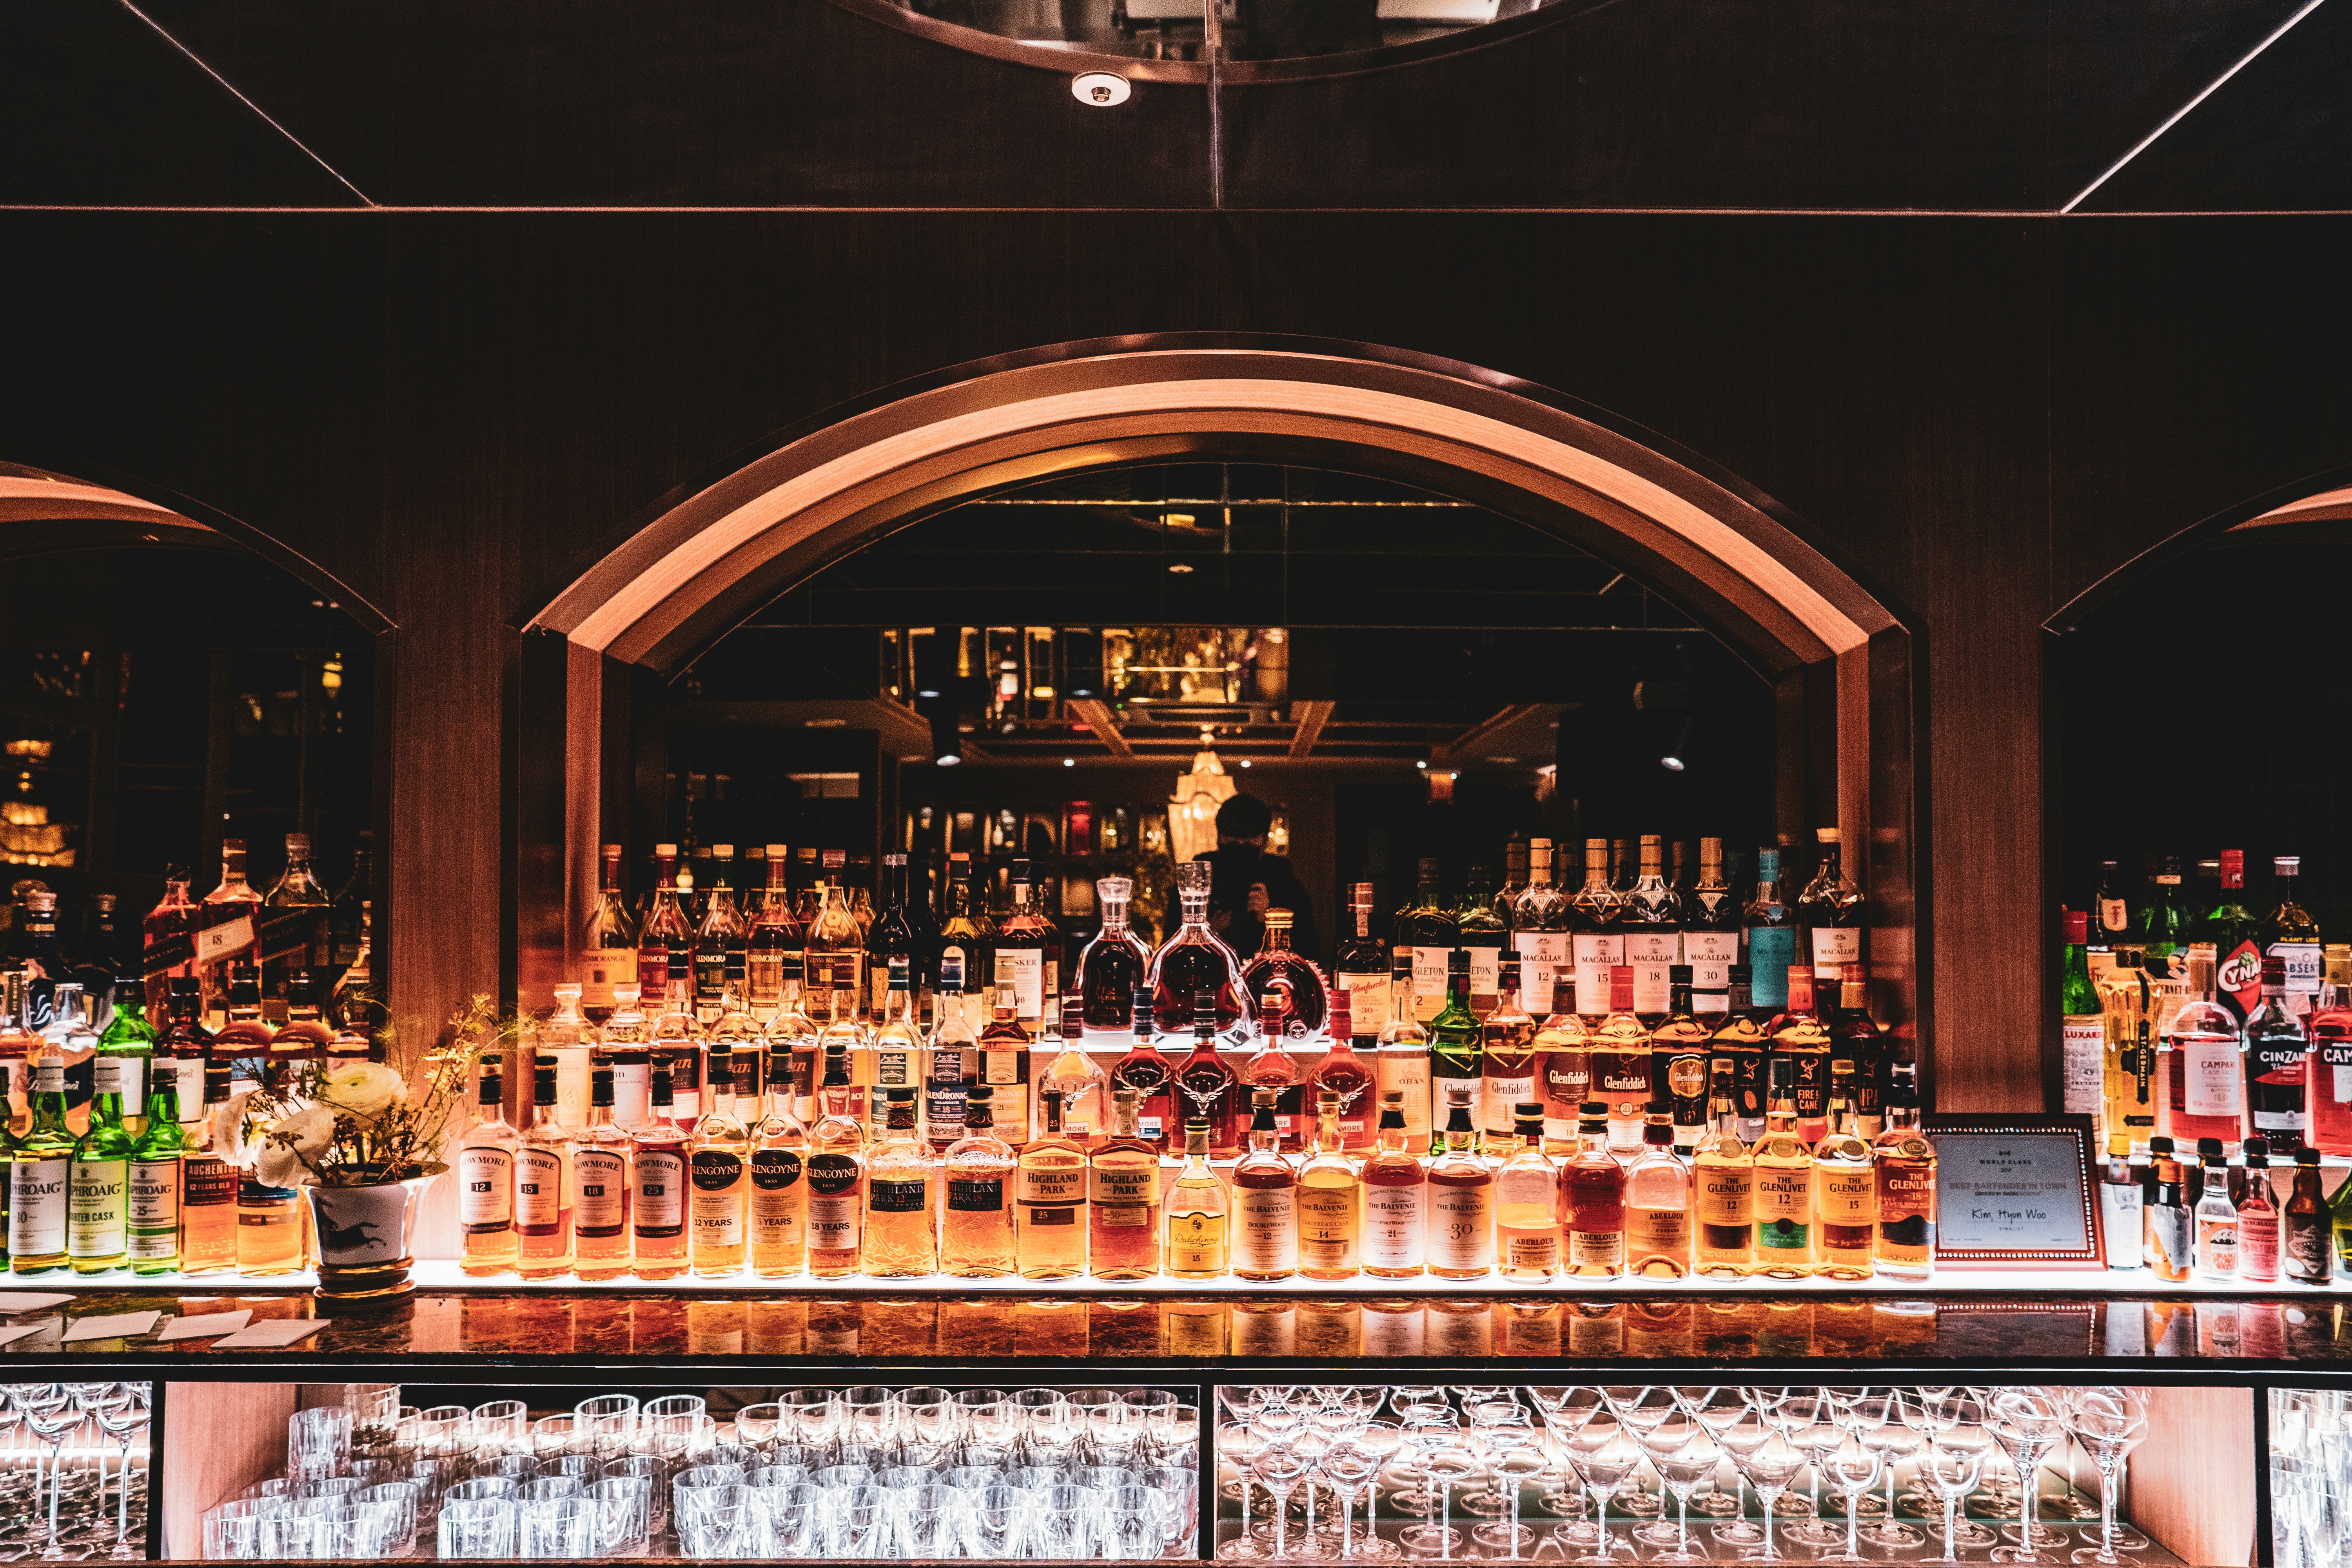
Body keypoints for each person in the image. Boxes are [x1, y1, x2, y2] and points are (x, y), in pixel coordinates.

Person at [1194, 794, 1319, 964]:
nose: (1239, 847)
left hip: (1266, 975)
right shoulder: (1199, 875)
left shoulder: (1282, 880)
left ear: (1264, 841)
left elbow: (1308, 950)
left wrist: (1270, 920)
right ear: (1219, 837)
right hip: (1211, 973)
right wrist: (1204, 932)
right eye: (1231, 841)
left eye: (1247, 843)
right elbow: (1171, 940)